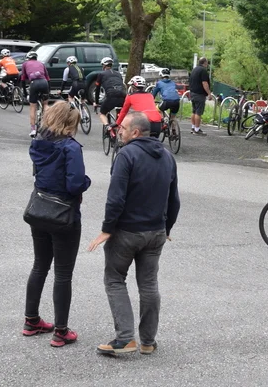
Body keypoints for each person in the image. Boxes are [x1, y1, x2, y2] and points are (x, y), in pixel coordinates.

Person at [88, 110, 180, 357]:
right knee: (148, 284)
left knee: (114, 279)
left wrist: (107, 230)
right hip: (156, 232)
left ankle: (125, 338)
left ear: (135, 132)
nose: (119, 131)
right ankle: (148, 341)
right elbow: (174, 199)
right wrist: (167, 228)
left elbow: (115, 198)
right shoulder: (167, 157)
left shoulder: (126, 155)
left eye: (123, 128)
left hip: (127, 232)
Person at [26, 101, 92, 348]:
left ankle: (31, 319)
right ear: (68, 123)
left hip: (40, 209)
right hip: (64, 214)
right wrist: (87, 181)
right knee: (63, 274)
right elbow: (75, 184)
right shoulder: (70, 148)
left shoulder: (38, 143)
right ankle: (61, 330)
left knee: (40, 266)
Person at [20, 52, 50, 138]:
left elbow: (23, 79)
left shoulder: (25, 64)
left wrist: (25, 93)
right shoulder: (41, 64)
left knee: (32, 106)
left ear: (28, 58)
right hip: (44, 83)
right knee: (45, 104)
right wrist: (49, 91)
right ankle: (47, 126)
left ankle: (33, 129)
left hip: (34, 83)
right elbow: (48, 78)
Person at [93, 57, 127, 130]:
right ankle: (118, 127)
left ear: (104, 66)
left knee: (102, 113)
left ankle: (108, 127)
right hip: (123, 95)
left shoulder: (101, 74)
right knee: (120, 113)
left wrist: (96, 102)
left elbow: (97, 89)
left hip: (112, 96)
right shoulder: (118, 74)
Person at [187, 57, 211, 136]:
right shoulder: (203, 71)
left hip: (192, 93)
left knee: (194, 111)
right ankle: (197, 129)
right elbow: (205, 83)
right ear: (205, 63)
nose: (207, 64)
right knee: (198, 112)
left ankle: (193, 127)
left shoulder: (194, 69)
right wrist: (209, 93)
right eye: (207, 62)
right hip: (199, 94)